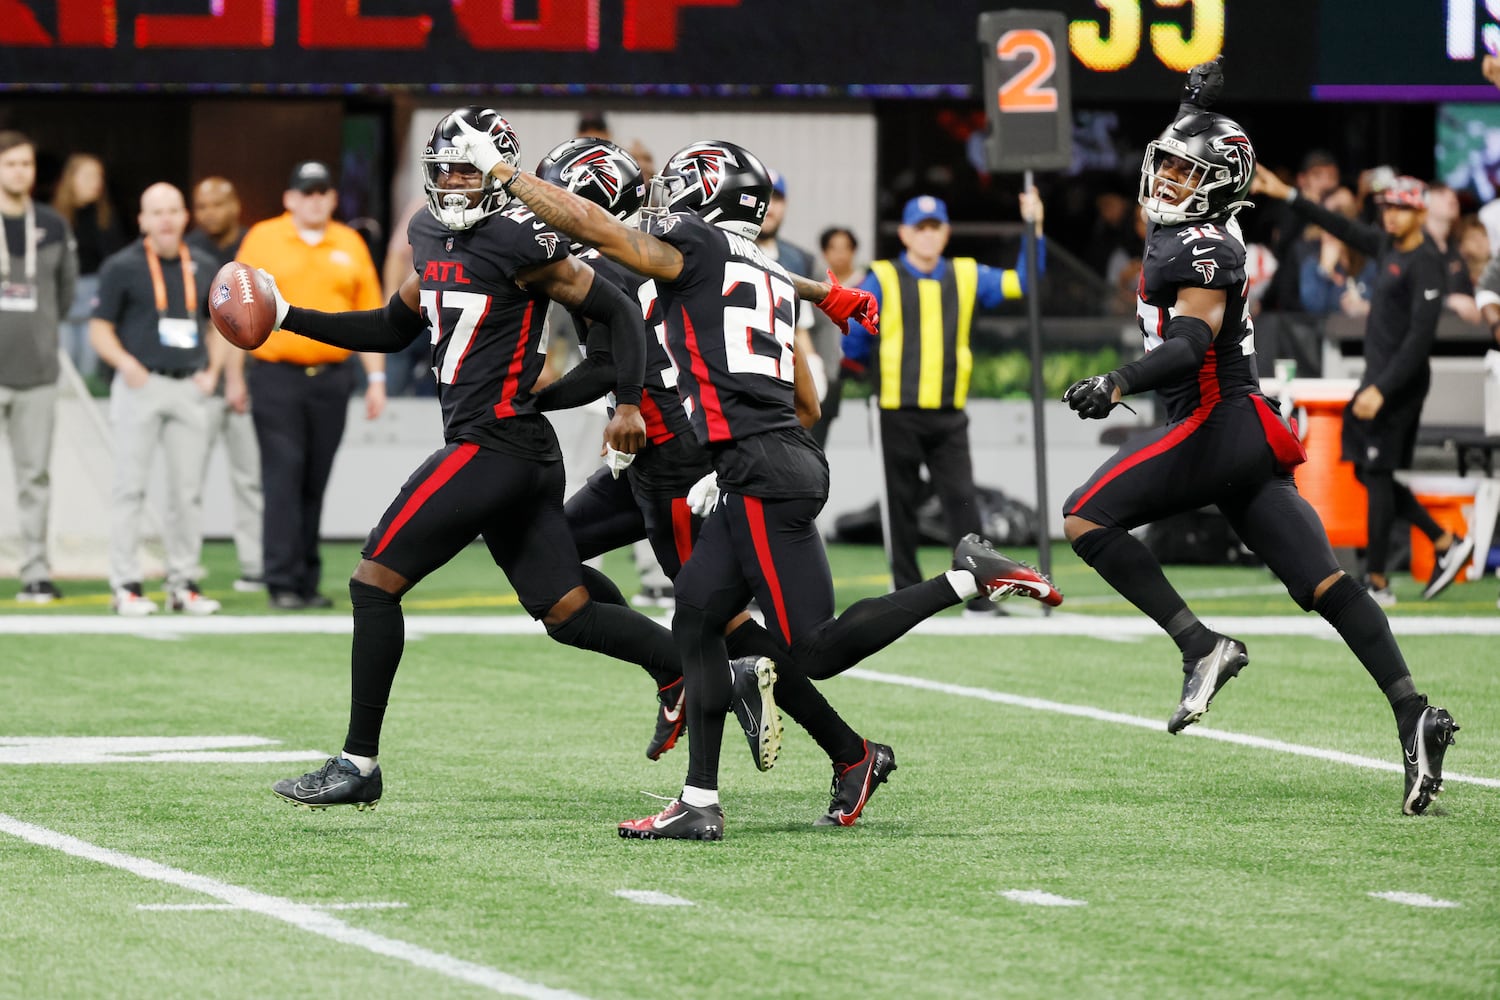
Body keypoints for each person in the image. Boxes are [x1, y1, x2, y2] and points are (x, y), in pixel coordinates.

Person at [459, 130, 1063, 840]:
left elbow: (595, 229)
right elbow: (805, 396)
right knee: (695, 616)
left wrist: (498, 171)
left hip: (745, 467)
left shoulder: (685, 250)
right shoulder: (759, 264)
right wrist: (829, 298)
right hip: (761, 458)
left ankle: (962, 581)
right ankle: (708, 797)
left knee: (812, 649)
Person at [262, 108, 710, 810]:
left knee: (373, 582)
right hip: (516, 450)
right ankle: (696, 670)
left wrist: (626, 403)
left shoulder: (519, 239)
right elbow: (390, 326)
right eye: (444, 170)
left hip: (495, 443)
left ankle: (358, 763)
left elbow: (622, 312)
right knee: (568, 613)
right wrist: (287, 317)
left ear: (500, 168)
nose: (455, 182)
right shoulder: (427, 231)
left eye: (468, 169)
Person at [1060, 58, 1457, 815]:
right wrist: (1188, 106)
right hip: (1237, 434)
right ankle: (1415, 714)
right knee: (1326, 584)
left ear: (1214, 187)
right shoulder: (1192, 224)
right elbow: (1194, 174)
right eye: (1167, 166)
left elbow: (1184, 347)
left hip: (1217, 420)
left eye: (1185, 171)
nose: (1168, 179)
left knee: (1084, 516)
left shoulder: (1206, 247)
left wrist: (1117, 383)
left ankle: (1198, 644)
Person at [531, 135, 911, 825]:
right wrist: (827, 292)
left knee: (712, 620)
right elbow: (747, 272)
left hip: (677, 457)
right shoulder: (671, 252)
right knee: (549, 548)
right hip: (649, 460)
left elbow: (630, 342)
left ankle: (821, 748)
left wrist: (532, 398)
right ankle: (681, 675)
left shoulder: (617, 258)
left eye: (557, 195)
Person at [1253, 169, 1473, 605]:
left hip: (1399, 384)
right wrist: (1290, 194)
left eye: (1400, 208)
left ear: (1419, 211)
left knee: (1376, 474)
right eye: (1386, 207)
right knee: (1369, 471)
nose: (1390, 215)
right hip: (1377, 379)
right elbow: (1342, 227)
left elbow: (1418, 340)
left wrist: (1383, 390)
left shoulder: (1426, 261)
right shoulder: (1388, 245)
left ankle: (1378, 579)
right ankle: (1444, 542)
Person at [841, 189, 1044, 616]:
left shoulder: (967, 274)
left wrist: (1035, 229)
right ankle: (905, 595)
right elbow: (856, 336)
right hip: (897, 408)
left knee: (962, 502)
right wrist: (865, 371)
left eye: (935, 228)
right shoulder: (883, 276)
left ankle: (976, 594)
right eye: (921, 229)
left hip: (949, 412)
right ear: (905, 234)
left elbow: (1024, 282)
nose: (928, 237)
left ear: (946, 233)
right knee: (900, 506)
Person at [236, 160, 387, 610]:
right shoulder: (263, 237)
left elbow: (370, 316)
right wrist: (231, 375)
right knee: (283, 475)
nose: (315, 199)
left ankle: (305, 579)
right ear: (290, 198)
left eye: (322, 191)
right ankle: (281, 579)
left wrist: (375, 378)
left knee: (315, 480)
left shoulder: (350, 242)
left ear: (333, 198)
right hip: (276, 375)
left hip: (332, 379)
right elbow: (234, 310)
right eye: (307, 191)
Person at [89, 182, 224, 617]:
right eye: (156, 212)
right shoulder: (121, 267)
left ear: (185, 216)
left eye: (172, 210)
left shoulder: (204, 265)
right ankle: (126, 583)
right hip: (140, 385)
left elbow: (221, 324)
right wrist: (126, 365)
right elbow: (99, 328)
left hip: (189, 385)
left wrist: (213, 372)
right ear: (142, 220)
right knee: (130, 487)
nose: (165, 219)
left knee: (187, 492)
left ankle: (182, 582)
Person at [0, 131, 77, 604]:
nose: (19, 173)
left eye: (26, 164)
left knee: (35, 478)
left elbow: (65, 295)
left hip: (37, 372)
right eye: (10, 164)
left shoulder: (51, 223)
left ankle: (34, 571)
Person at [186, 176, 264, 592]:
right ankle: (184, 564)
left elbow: (250, 320)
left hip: (246, 381)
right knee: (187, 479)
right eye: (202, 205)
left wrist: (234, 375)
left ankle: (254, 564)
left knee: (248, 477)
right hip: (199, 377)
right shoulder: (190, 249)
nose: (209, 213)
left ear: (235, 205)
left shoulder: (254, 244)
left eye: (217, 204)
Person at [52, 153, 125, 382]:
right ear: (71, 179)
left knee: (90, 358)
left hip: (94, 294)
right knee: (64, 358)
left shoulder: (106, 216)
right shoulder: (54, 217)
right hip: (63, 294)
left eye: (99, 176)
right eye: (89, 176)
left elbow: (116, 259)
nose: (96, 182)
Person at [806, 226, 863, 446]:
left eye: (845, 248)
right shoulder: (813, 285)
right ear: (824, 251)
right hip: (819, 370)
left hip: (850, 373)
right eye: (833, 248)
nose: (840, 254)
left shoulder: (866, 284)